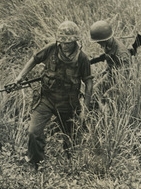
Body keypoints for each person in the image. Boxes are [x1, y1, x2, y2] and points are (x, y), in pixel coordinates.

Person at [13, 21, 93, 169]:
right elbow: (35, 59)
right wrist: (21, 76)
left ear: (75, 40)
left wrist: (85, 110)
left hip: (68, 103)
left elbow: (88, 83)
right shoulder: (51, 49)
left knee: (71, 138)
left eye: (69, 42)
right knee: (33, 132)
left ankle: (71, 166)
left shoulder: (82, 58)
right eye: (62, 41)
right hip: (47, 99)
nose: (65, 45)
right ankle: (35, 164)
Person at [88, 20, 131, 99]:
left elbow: (124, 80)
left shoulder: (122, 55)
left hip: (118, 80)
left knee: (103, 98)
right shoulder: (109, 43)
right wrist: (88, 62)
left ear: (104, 40)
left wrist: (109, 93)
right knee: (93, 94)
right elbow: (105, 56)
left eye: (99, 42)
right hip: (111, 74)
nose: (98, 44)